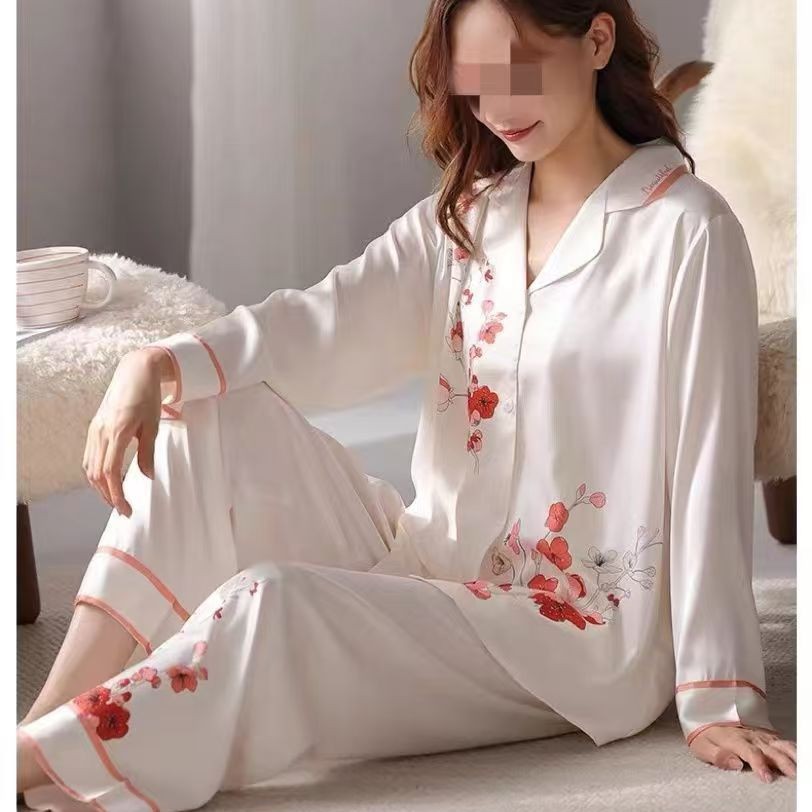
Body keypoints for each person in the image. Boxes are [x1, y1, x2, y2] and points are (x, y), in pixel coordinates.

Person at [17, 0, 797, 808]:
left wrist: (719, 696)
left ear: (597, 40)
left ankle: (34, 768)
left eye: (518, 72)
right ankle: (40, 729)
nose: (496, 109)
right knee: (201, 411)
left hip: (571, 634)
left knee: (274, 603)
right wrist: (159, 362)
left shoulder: (686, 231)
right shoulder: (472, 216)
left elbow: (708, 460)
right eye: (476, 86)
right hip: (430, 564)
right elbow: (322, 320)